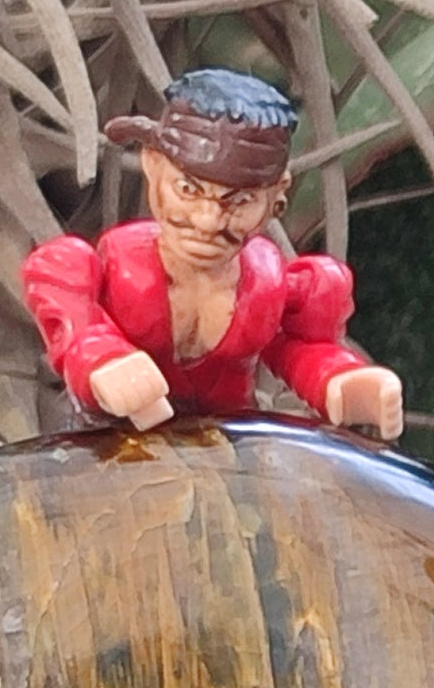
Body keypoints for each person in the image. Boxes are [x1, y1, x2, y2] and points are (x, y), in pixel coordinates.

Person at [20, 69, 406, 440]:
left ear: (276, 194)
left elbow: (300, 349)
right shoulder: (113, 264)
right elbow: (61, 294)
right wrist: (101, 359)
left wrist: (342, 382)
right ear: (154, 166)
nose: (207, 221)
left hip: (225, 446)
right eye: (188, 190)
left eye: (240, 201)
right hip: (110, 447)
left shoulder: (271, 283)